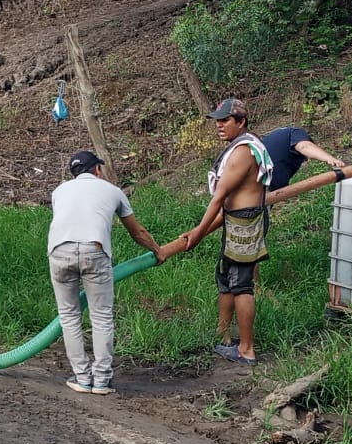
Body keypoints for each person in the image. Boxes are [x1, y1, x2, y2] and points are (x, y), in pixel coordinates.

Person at [47, 150, 170, 395]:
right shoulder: (112, 191)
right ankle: (102, 380)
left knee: (69, 316)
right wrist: (157, 250)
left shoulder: (59, 191)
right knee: (101, 316)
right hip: (95, 250)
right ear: (97, 170)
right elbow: (137, 232)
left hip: (59, 251)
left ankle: (82, 378)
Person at [169, 98, 273, 365]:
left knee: (242, 285)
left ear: (241, 121)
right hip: (237, 220)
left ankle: (246, 349)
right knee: (227, 278)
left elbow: (219, 198)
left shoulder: (243, 152)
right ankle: (224, 336)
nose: (219, 125)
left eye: (225, 120)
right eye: (218, 120)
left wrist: (198, 233)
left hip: (244, 223)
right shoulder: (244, 144)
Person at [260, 126, 345, 191]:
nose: (305, 160)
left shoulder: (276, 138)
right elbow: (305, 146)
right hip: (264, 178)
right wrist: (329, 158)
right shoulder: (296, 133)